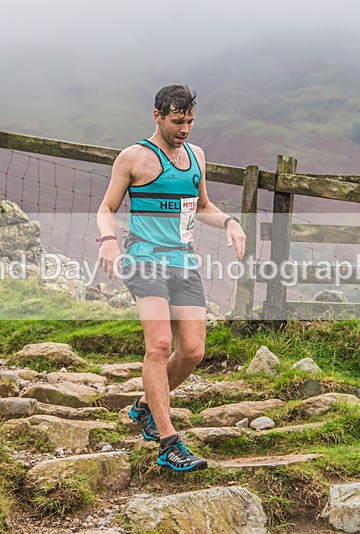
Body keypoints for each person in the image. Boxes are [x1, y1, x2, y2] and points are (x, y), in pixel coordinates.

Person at [96, 84, 246, 471]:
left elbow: (203, 205)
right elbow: (106, 208)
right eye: (177, 121)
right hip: (144, 259)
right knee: (160, 345)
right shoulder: (133, 158)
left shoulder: (197, 156)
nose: (185, 129)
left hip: (183, 262)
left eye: (190, 121)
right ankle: (168, 443)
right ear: (158, 116)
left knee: (193, 351)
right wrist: (109, 242)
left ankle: (145, 406)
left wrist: (229, 222)